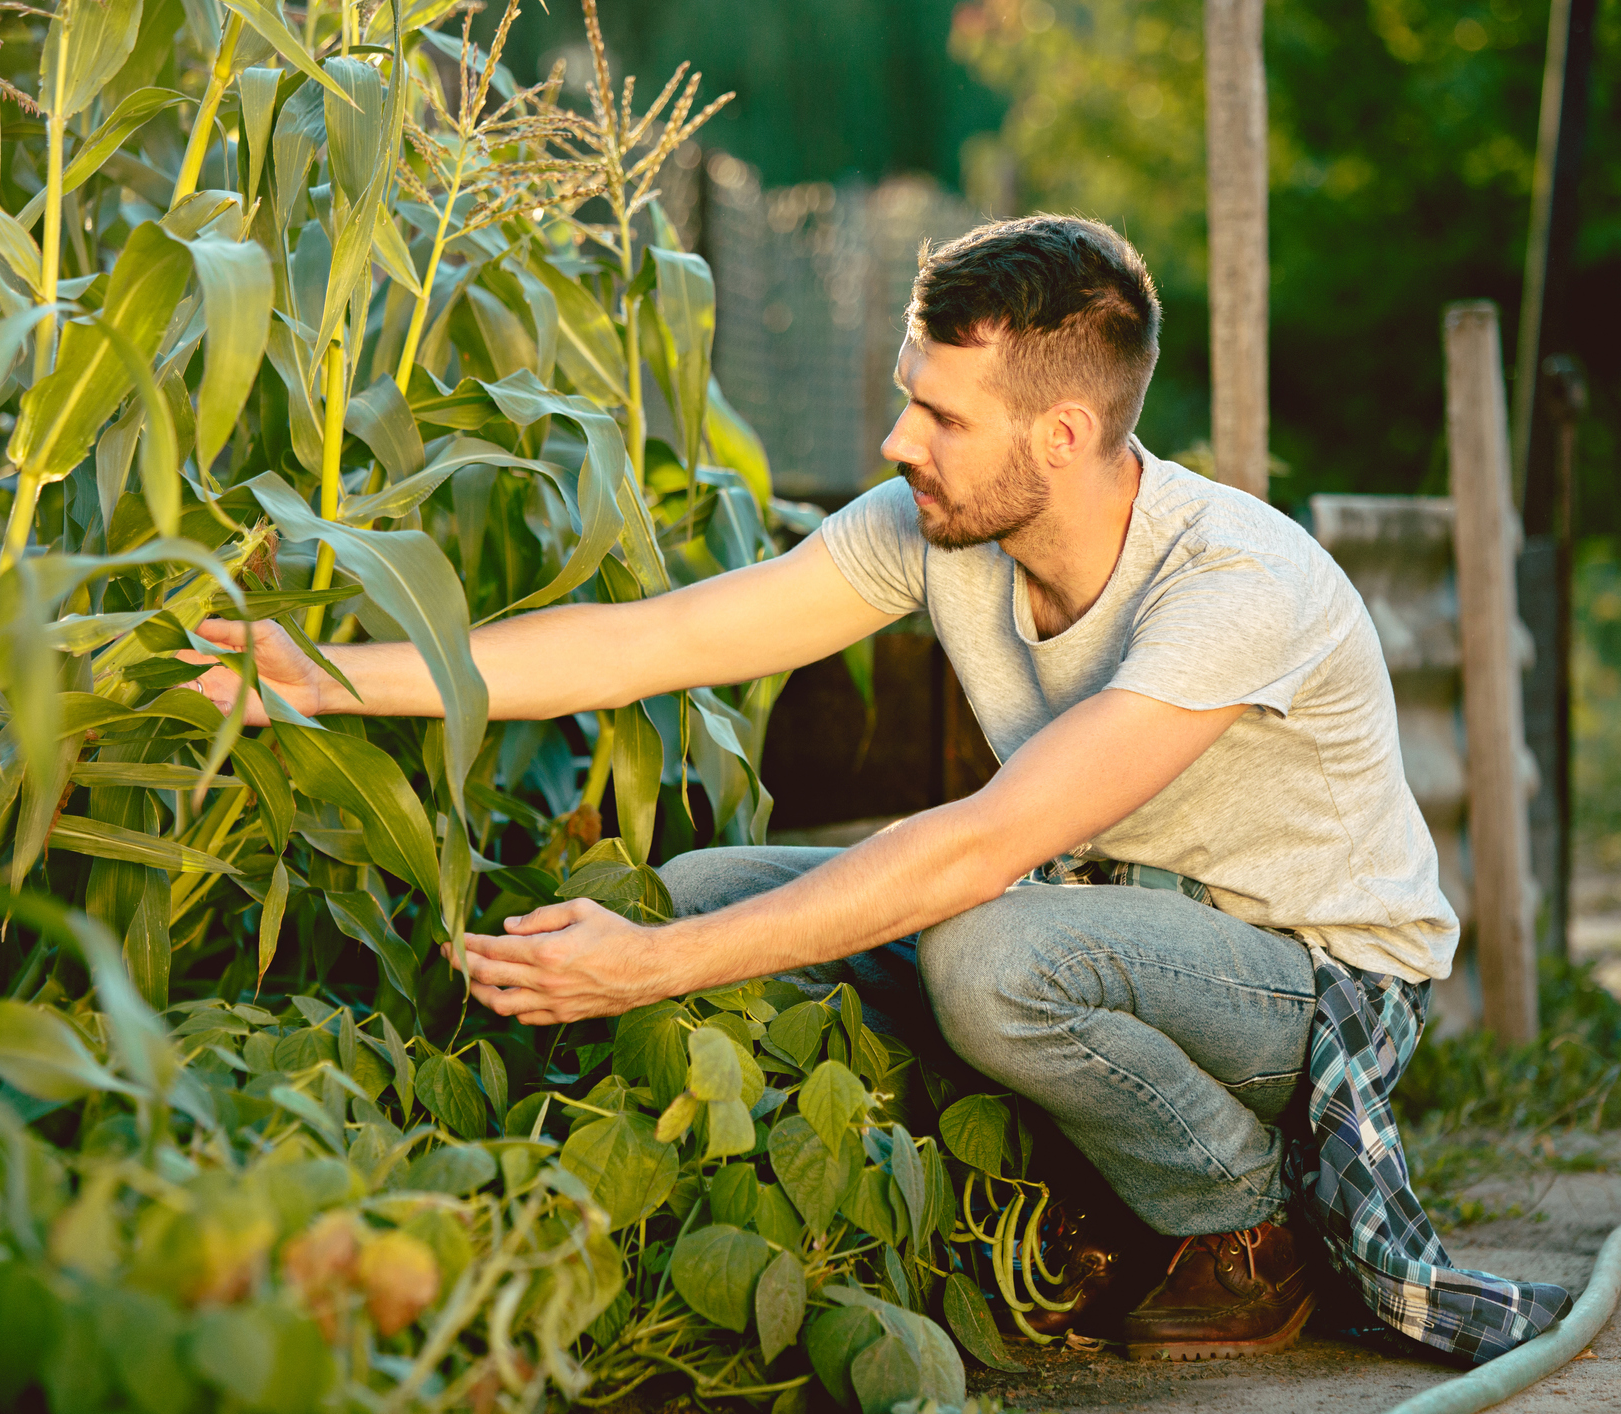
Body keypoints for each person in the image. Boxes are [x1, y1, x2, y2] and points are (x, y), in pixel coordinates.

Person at [186, 215, 1466, 1362]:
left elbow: (986, 846)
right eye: (910, 396)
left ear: (1062, 434)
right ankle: (1039, 1188)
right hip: (1096, 917)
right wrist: (321, 676)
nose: (897, 439)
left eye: (943, 417)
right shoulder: (939, 523)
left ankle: (1244, 1224)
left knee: (981, 954)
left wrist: (648, 968)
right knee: (704, 889)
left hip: (1306, 979)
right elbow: (650, 643)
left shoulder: (1234, 586)